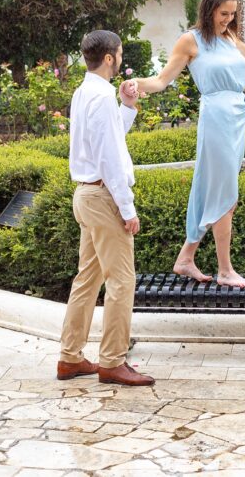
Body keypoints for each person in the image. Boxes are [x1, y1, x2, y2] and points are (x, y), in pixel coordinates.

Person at [122, 0, 245, 288]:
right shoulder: (190, 40)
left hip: (236, 115)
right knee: (226, 195)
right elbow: (161, 80)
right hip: (215, 117)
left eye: (233, 14)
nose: (228, 18)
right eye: (224, 13)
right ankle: (224, 270)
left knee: (212, 189)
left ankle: (186, 258)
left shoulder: (230, 37)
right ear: (209, 8)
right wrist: (133, 85)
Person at [58, 30, 154, 386]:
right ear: (110, 58)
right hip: (102, 198)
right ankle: (112, 361)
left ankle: (70, 357)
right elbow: (109, 158)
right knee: (121, 280)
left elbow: (109, 137)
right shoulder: (97, 97)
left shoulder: (87, 93)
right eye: (120, 54)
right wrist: (127, 210)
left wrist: (127, 105)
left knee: (88, 279)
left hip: (87, 195)